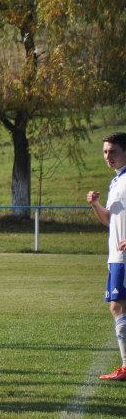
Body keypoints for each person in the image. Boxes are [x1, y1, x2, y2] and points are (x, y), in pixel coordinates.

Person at [87, 131, 126, 381]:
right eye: (104, 152)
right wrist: (94, 205)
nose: (107, 156)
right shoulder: (116, 182)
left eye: (113, 151)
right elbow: (109, 221)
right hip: (115, 257)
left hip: (123, 258)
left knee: (117, 306)